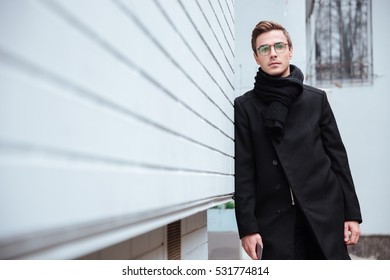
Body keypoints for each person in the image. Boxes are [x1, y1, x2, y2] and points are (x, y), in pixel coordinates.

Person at [234, 21, 362, 260]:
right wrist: (248, 228)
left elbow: (338, 160)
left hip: (323, 214)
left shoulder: (316, 100)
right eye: (264, 49)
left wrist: (351, 214)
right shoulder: (245, 107)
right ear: (256, 57)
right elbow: (244, 171)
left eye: (279, 46)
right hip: (275, 221)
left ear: (289, 50)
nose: (272, 53)